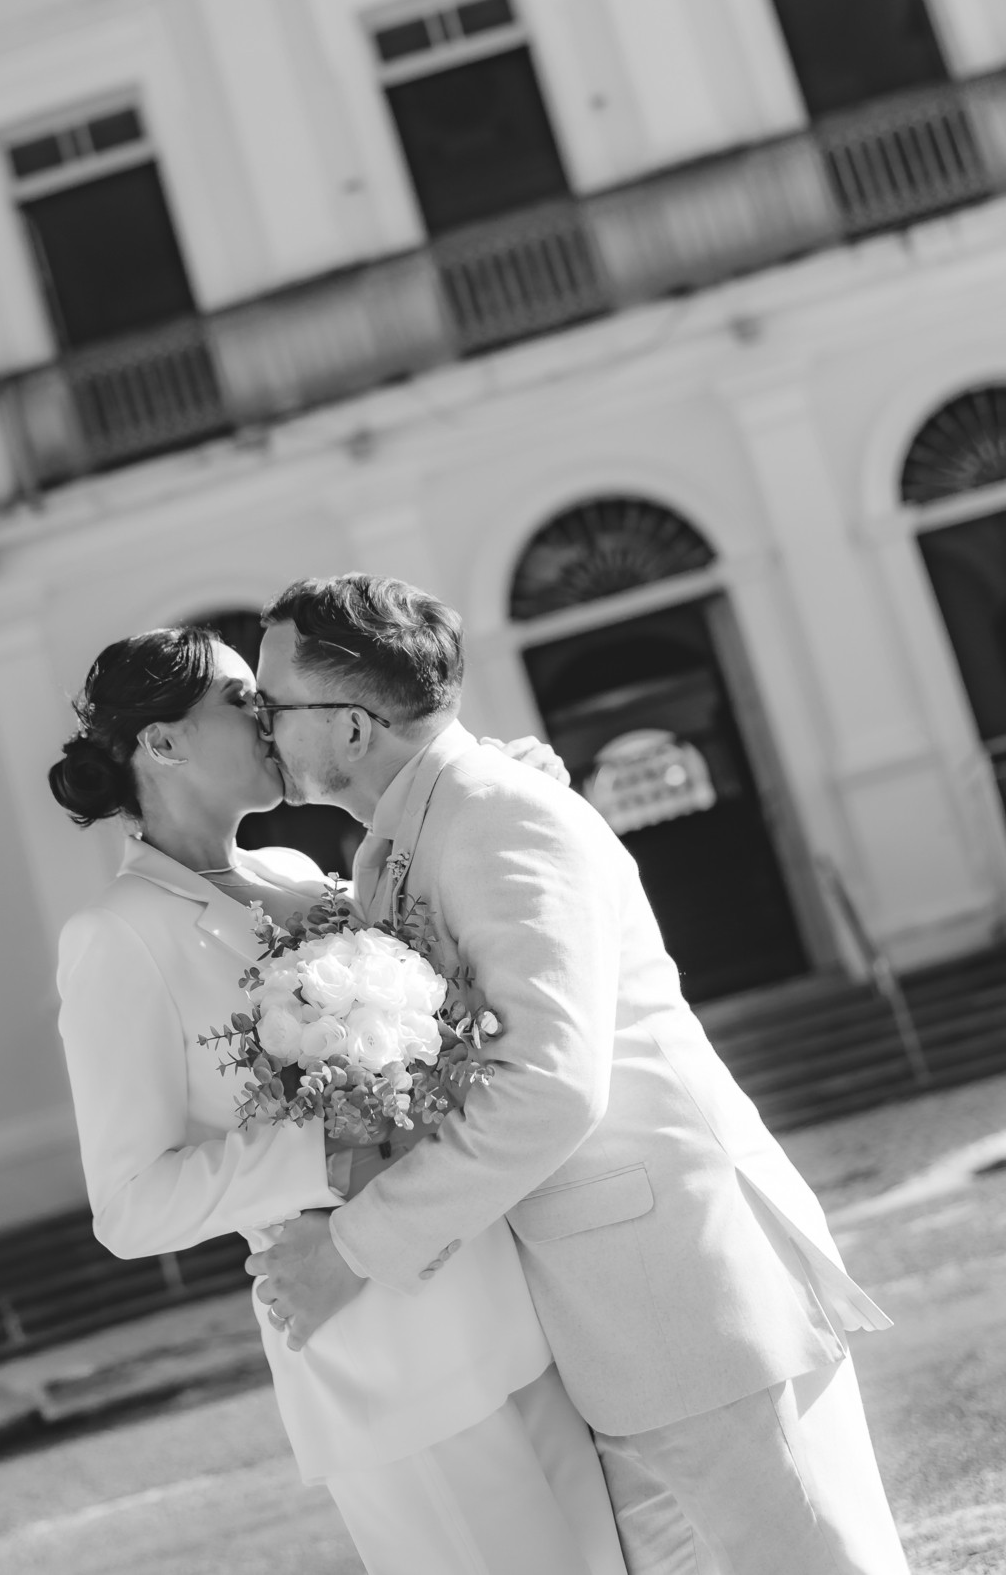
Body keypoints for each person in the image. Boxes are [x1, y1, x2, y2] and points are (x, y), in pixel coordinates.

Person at [248, 574, 910, 1575]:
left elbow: (549, 1085)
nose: (258, 722)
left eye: (271, 702)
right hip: (614, 1321)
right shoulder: (416, 831)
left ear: (348, 726)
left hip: (690, 1289)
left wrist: (355, 1249)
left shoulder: (496, 814)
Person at [48, 625, 624, 1575]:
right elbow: (129, 1206)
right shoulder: (116, 940)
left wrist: (500, 793)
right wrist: (329, 1149)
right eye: (238, 701)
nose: (266, 713)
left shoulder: (306, 877)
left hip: (497, 1292)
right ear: (163, 744)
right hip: (374, 1356)